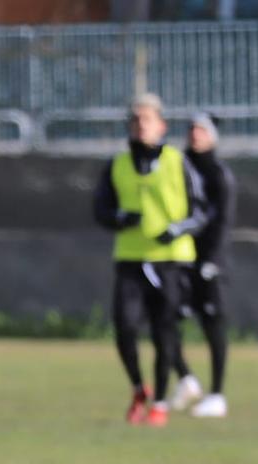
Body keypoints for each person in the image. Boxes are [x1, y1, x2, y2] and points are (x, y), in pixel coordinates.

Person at [93, 93, 209, 427]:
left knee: (165, 332)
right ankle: (137, 388)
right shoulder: (117, 164)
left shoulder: (177, 161)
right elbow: (100, 210)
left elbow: (202, 210)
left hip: (171, 261)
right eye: (135, 120)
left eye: (147, 119)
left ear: (162, 125)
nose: (140, 125)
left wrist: (179, 229)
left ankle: (159, 401)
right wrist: (118, 218)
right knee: (125, 327)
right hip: (131, 258)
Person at [170, 112, 236, 418]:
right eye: (192, 129)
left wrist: (212, 261)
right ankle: (185, 378)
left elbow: (222, 222)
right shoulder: (177, 167)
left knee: (213, 326)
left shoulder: (218, 175)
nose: (195, 135)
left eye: (201, 130)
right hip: (177, 258)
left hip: (207, 262)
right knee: (164, 321)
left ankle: (217, 395)